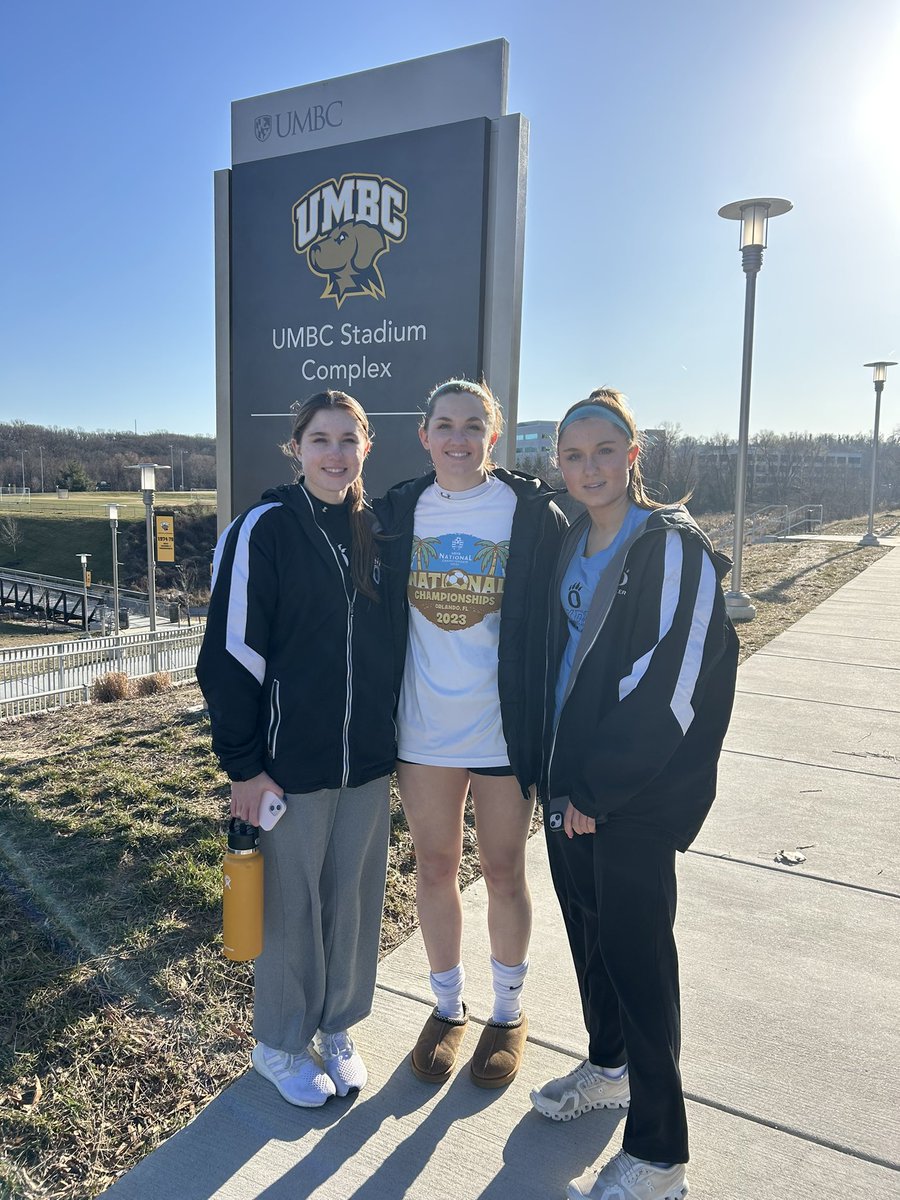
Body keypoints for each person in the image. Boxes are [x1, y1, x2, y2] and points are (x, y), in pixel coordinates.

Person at [531, 389, 739, 1200]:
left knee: (640, 961)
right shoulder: (571, 541)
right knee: (589, 935)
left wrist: (601, 788)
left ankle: (659, 1155)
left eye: (603, 452)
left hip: (631, 795)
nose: (589, 468)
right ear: (559, 464)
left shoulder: (671, 548)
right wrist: (556, 778)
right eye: (573, 455)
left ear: (633, 455)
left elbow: (673, 688)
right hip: (567, 784)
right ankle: (609, 1066)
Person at [196, 390, 396, 1108]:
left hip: (367, 764)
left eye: (349, 440)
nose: (335, 453)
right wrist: (244, 767)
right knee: (290, 910)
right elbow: (229, 658)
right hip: (287, 766)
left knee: (354, 902)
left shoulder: (379, 531)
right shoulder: (266, 528)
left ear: (365, 449)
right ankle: (278, 1044)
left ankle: (338, 1028)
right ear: (297, 448)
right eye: (321, 439)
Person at [374, 379, 566, 1089]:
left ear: (495, 434)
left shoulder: (532, 512)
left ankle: (508, 1013)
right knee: (433, 867)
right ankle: (449, 1006)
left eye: (473, 425)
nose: (458, 438)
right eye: (445, 425)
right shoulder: (398, 510)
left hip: (502, 728)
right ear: (424, 435)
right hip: (422, 727)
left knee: (505, 870)